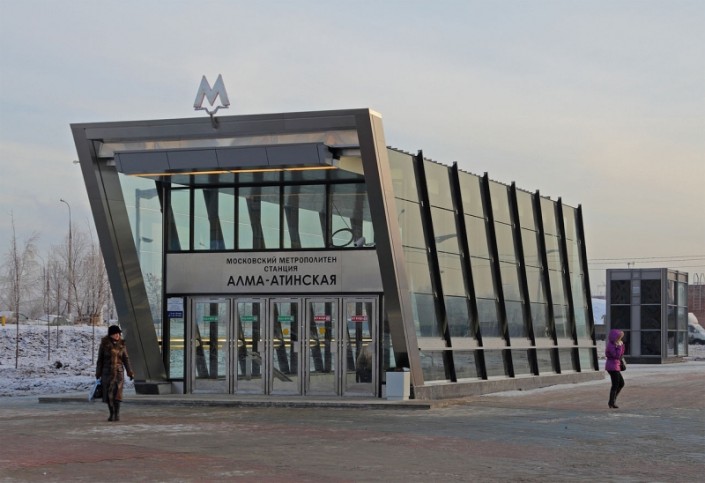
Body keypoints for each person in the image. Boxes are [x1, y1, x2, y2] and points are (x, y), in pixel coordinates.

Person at [96, 325, 134, 421]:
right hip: (106, 373)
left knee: (117, 394)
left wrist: (129, 372)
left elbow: (126, 359)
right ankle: (111, 413)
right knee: (108, 394)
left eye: (119, 334)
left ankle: (116, 414)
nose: (118, 335)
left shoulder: (122, 345)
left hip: (118, 373)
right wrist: (98, 373)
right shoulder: (104, 345)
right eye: (115, 333)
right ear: (111, 334)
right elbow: (100, 360)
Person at [605, 329, 626, 409]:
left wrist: (622, 346)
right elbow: (616, 356)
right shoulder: (611, 345)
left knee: (621, 383)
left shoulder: (616, 344)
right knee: (615, 385)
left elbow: (621, 355)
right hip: (612, 367)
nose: (620, 339)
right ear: (615, 337)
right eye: (619, 337)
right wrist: (619, 346)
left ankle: (612, 401)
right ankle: (611, 402)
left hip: (615, 366)